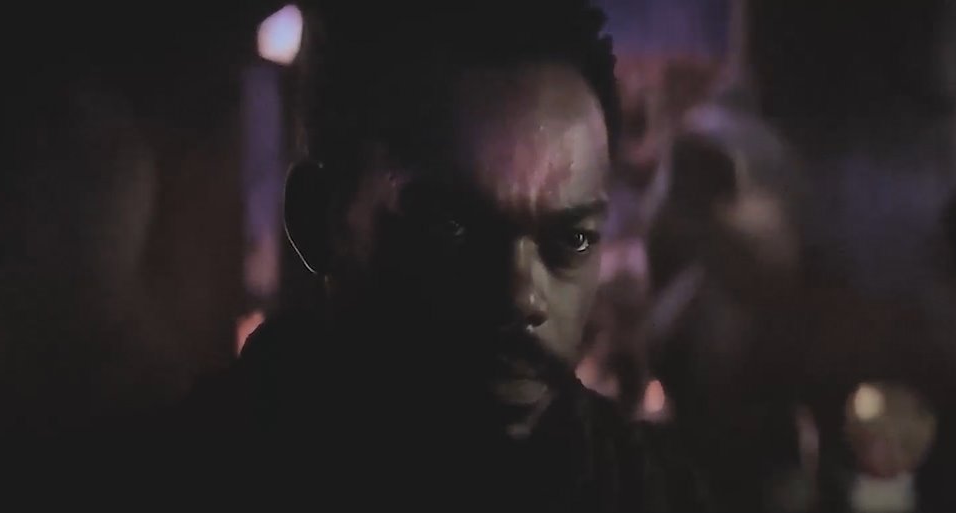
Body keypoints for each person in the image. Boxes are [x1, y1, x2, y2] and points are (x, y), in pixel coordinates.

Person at [175, 1, 702, 511]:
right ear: (319, 222)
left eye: (571, 241)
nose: (521, 295)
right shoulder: (181, 478)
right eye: (452, 229)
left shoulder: (649, 494)